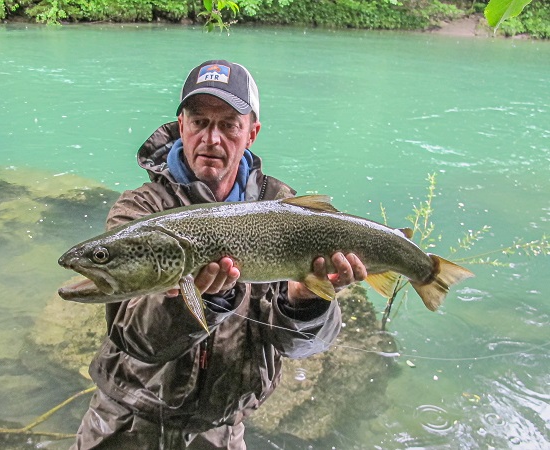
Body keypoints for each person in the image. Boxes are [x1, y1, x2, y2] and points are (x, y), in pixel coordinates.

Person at [71, 60, 367, 450]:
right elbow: (138, 340)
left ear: (251, 133)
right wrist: (201, 302)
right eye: (199, 122)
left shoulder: (285, 214)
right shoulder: (141, 210)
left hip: (221, 432)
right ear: (182, 125)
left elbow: (302, 346)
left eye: (229, 125)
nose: (211, 139)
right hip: (123, 422)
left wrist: (306, 301)